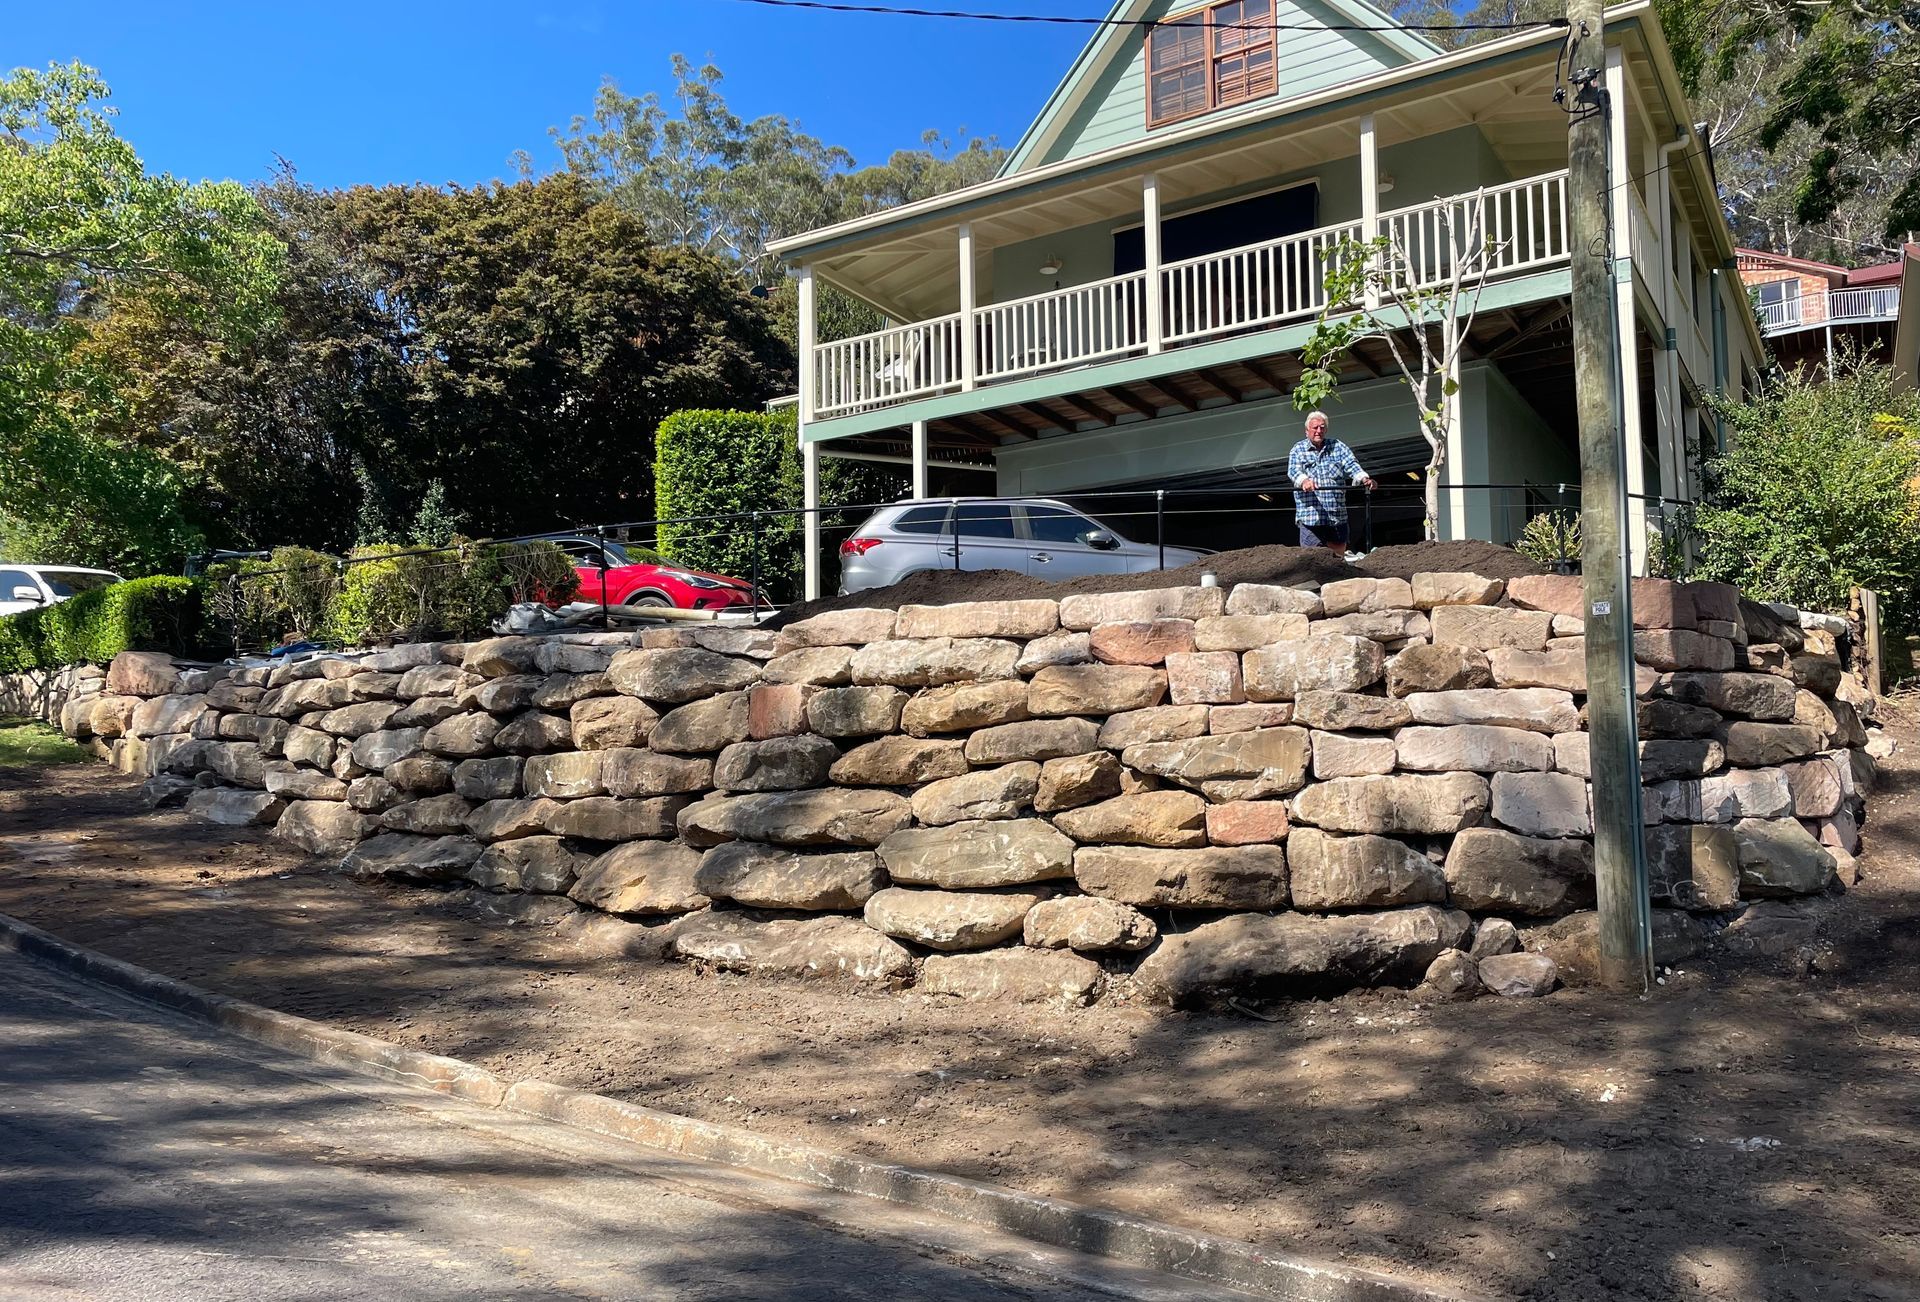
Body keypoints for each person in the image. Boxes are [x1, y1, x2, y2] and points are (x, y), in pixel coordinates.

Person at [1287, 410, 1375, 553]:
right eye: (1315, 428)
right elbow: (1293, 471)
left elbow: (1352, 464)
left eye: (1322, 427)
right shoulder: (1298, 450)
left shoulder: (1337, 446)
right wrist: (1304, 481)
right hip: (1311, 517)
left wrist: (1364, 478)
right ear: (1306, 431)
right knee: (1312, 560)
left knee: (1338, 559)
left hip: (1336, 515)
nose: (1318, 431)